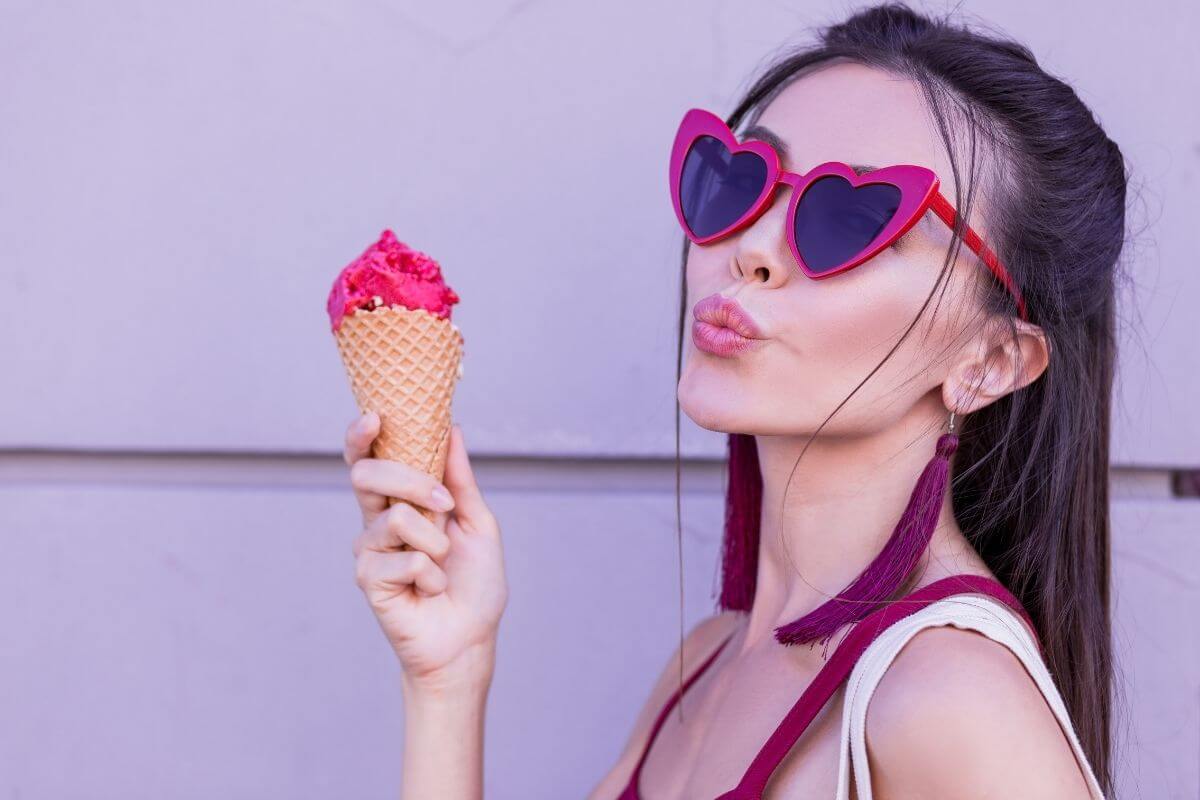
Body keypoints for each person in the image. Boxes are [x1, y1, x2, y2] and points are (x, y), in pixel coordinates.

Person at [341, 3, 1126, 797]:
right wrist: (448, 679)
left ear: (990, 361)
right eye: (741, 180)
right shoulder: (704, 665)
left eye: (849, 214)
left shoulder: (951, 699)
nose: (750, 249)